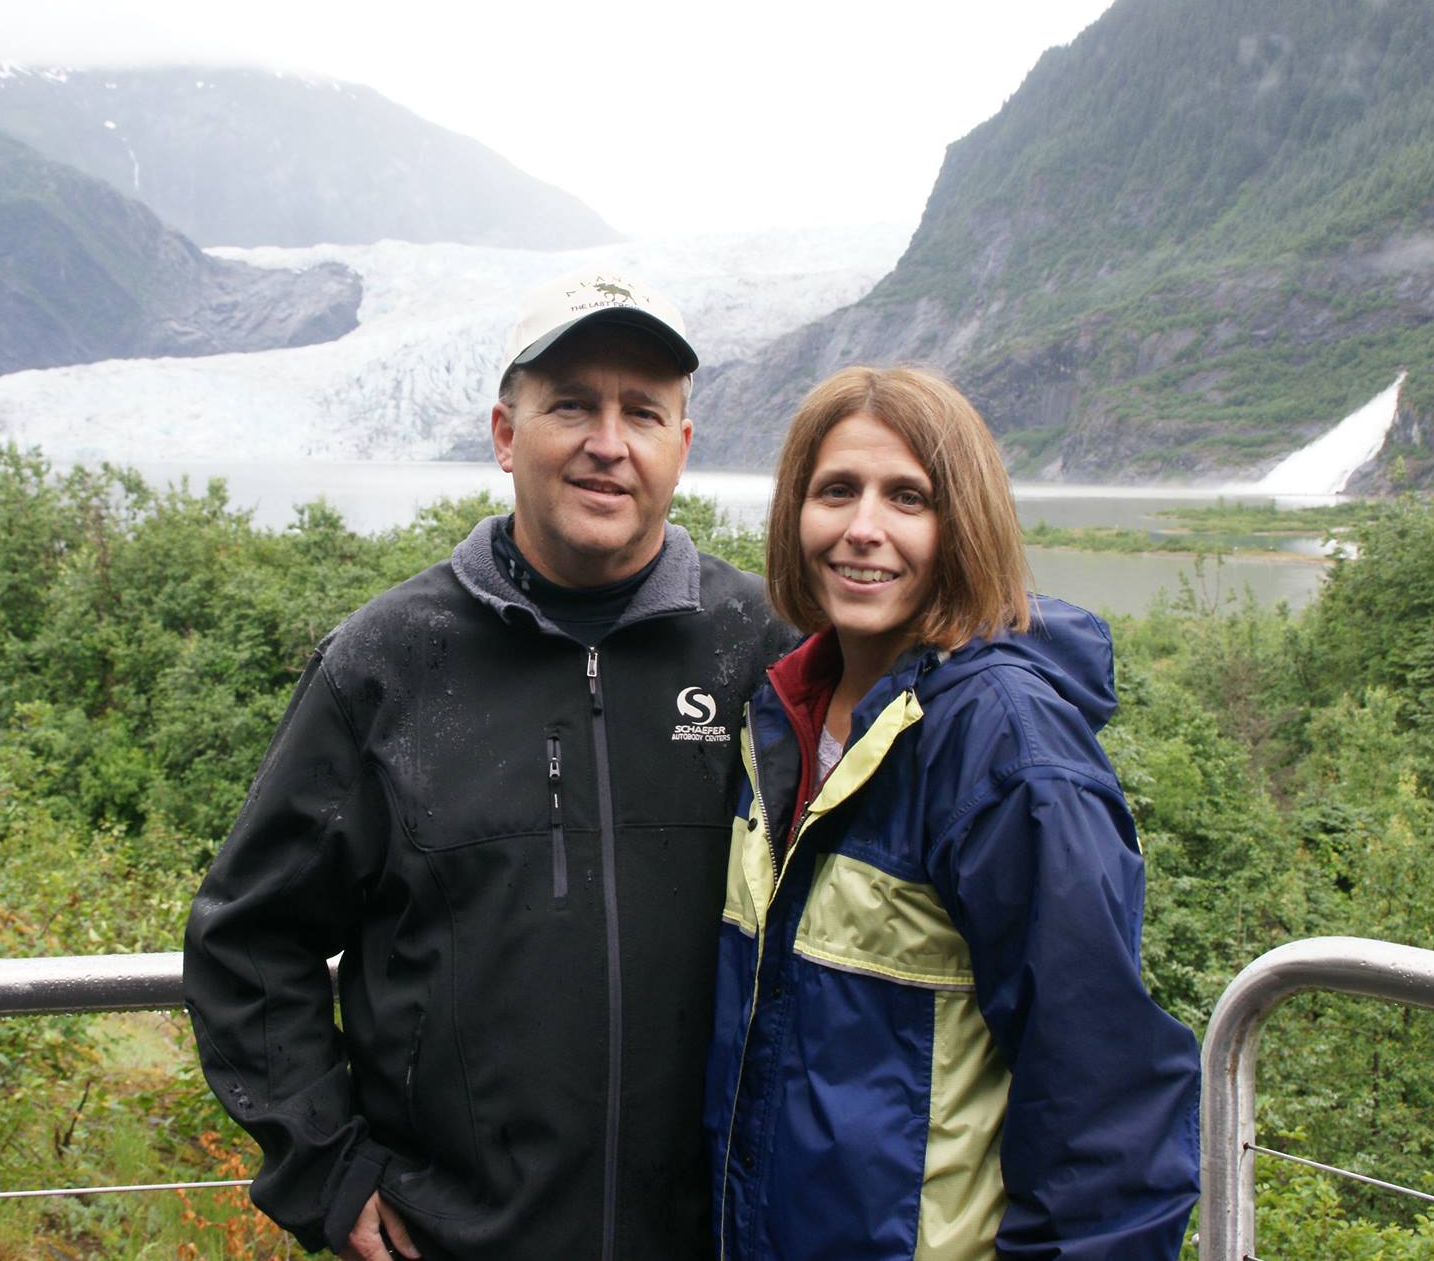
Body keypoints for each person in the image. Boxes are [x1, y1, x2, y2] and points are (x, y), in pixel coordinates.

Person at [184, 270, 794, 1261]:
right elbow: (248, 941)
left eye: (641, 412)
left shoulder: (756, 652)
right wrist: (327, 1170)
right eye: (570, 406)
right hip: (454, 1240)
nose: (607, 442)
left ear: (679, 448)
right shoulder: (387, 663)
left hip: (708, 1239)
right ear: (506, 435)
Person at [704, 366, 1200, 1259]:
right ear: (795, 514)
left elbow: (1104, 1096)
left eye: (908, 497)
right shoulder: (784, 713)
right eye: (836, 491)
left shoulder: (1003, 744)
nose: (864, 528)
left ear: (962, 522)